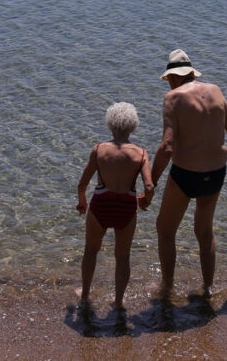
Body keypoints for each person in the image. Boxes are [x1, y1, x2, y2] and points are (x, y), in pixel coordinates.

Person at [145, 49, 227, 298]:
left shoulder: (172, 98)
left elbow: (167, 147)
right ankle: (208, 288)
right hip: (216, 175)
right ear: (192, 73)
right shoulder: (216, 91)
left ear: (171, 77)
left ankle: (166, 287)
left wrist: (150, 184)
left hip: (186, 174)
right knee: (204, 232)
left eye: (168, 79)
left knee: (165, 229)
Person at [76, 102, 154, 310]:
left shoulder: (99, 149)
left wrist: (82, 201)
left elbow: (82, 183)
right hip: (126, 207)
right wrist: (145, 201)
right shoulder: (141, 153)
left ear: (110, 125)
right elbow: (149, 185)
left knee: (91, 250)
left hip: (101, 204)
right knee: (122, 256)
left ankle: (84, 295)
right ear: (133, 127)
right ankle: (118, 301)